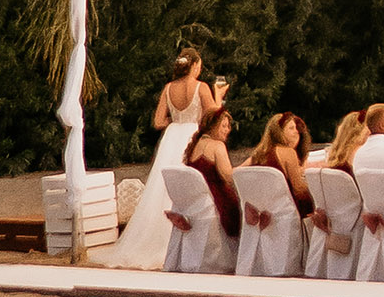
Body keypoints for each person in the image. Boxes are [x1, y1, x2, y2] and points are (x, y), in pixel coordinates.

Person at [98, 47, 229, 269]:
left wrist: (175, 123)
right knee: (194, 187)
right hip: (192, 136)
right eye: (200, 65)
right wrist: (219, 97)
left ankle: (157, 236)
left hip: (172, 138)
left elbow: (158, 121)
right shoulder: (202, 87)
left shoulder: (168, 88)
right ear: (195, 65)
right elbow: (213, 116)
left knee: (163, 189)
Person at [183, 107, 241, 238]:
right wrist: (247, 167)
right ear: (213, 126)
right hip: (216, 200)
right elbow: (229, 178)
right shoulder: (217, 146)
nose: (228, 130)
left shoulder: (195, 145)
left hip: (198, 201)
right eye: (224, 126)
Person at [247, 112, 315, 216]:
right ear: (279, 131)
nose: (296, 131)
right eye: (291, 128)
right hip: (287, 211)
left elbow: (236, 173)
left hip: (264, 211)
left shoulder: (258, 154)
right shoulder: (288, 152)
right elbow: (299, 190)